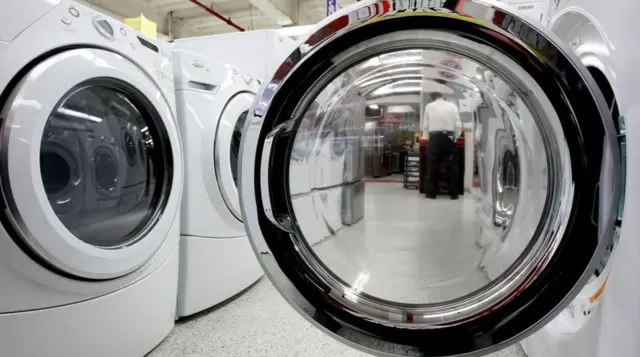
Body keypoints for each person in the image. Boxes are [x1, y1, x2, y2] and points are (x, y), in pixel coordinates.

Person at [421, 92, 462, 200]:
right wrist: (455, 138)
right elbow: (458, 124)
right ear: (442, 97)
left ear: (432, 98)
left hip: (435, 138)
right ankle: (454, 193)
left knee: (433, 166)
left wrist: (426, 139)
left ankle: (432, 193)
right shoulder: (452, 106)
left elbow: (425, 125)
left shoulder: (429, 106)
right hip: (449, 137)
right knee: (452, 166)